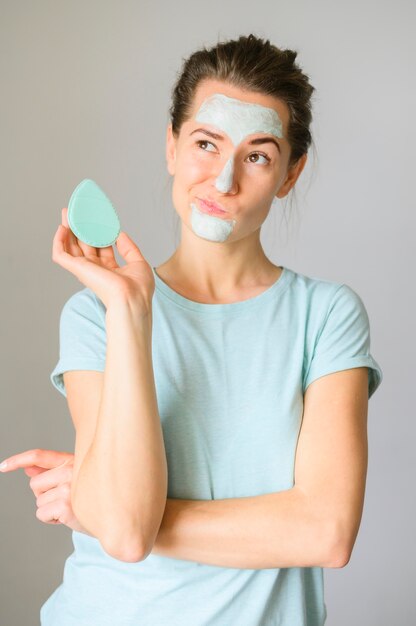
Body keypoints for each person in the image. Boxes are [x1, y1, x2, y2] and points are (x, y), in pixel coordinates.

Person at [0, 33, 383, 625]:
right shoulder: (95, 314)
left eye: (258, 155)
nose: (224, 181)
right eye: (207, 143)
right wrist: (131, 311)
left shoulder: (326, 316)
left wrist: (106, 505)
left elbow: (326, 532)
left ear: (289, 174)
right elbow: (125, 538)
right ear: (172, 146)